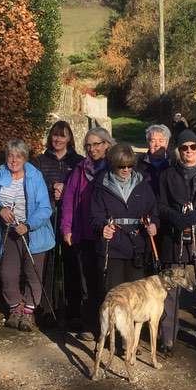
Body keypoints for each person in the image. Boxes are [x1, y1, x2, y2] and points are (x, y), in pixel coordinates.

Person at [0, 140, 55, 331]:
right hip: (9, 233)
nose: (14, 160)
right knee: (7, 274)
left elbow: (45, 208)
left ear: (25, 158)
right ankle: (15, 308)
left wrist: (28, 225)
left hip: (34, 233)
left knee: (33, 274)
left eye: (18, 156)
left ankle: (28, 313)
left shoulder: (34, 176)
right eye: (10, 156)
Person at [157, 130, 196, 353]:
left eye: (193, 147)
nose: (189, 152)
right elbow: (159, 204)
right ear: (178, 151)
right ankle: (168, 339)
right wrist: (176, 218)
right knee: (171, 291)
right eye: (184, 148)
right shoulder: (167, 175)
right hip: (174, 240)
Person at [60, 127, 114, 338]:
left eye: (96, 144)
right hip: (84, 233)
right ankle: (91, 325)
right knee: (87, 282)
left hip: (107, 233)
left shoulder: (114, 167)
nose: (92, 149)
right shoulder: (80, 169)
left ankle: (110, 327)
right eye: (88, 145)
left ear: (107, 145)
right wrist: (67, 228)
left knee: (107, 281)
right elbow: (68, 200)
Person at [32, 121, 84, 326]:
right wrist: (50, 191)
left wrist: (67, 190)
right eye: (55, 135)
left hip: (71, 220)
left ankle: (74, 311)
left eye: (62, 135)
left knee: (72, 264)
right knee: (49, 264)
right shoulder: (40, 161)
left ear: (69, 138)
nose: (58, 139)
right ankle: (46, 310)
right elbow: (35, 187)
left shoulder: (78, 162)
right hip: (48, 218)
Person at [91, 143, 158, 297]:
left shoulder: (143, 185)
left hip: (137, 248)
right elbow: (95, 216)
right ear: (113, 164)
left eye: (130, 166)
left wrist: (154, 224)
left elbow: (154, 212)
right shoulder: (101, 185)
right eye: (122, 166)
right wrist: (103, 228)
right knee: (114, 298)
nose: (126, 170)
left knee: (137, 299)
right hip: (112, 249)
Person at [134, 124, 171, 195]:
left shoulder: (173, 163)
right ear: (148, 143)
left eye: (161, 141)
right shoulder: (138, 163)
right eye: (153, 141)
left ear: (166, 144)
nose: (157, 145)